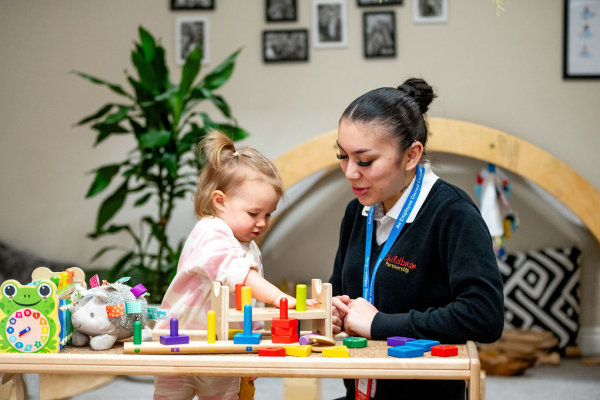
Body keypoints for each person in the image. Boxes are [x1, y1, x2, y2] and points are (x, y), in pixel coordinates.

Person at [329, 78, 504, 399]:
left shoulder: (453, 213)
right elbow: (341, 292)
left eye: (364, 161)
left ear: (411, 156)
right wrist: (333, 313)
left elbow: (484, 316)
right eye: (343, 156)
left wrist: (381, 325)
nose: (350, 172)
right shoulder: (357, 212)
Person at [154, 130, 298, 400]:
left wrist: (251, 350)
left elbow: (248, 305)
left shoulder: (250, 247)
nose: (262, 222)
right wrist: (280, 297)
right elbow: (238, 276)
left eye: (268, 214)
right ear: (220, 201)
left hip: (224, 347)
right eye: (253, 213)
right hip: (182, 344)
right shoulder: (210, 231)